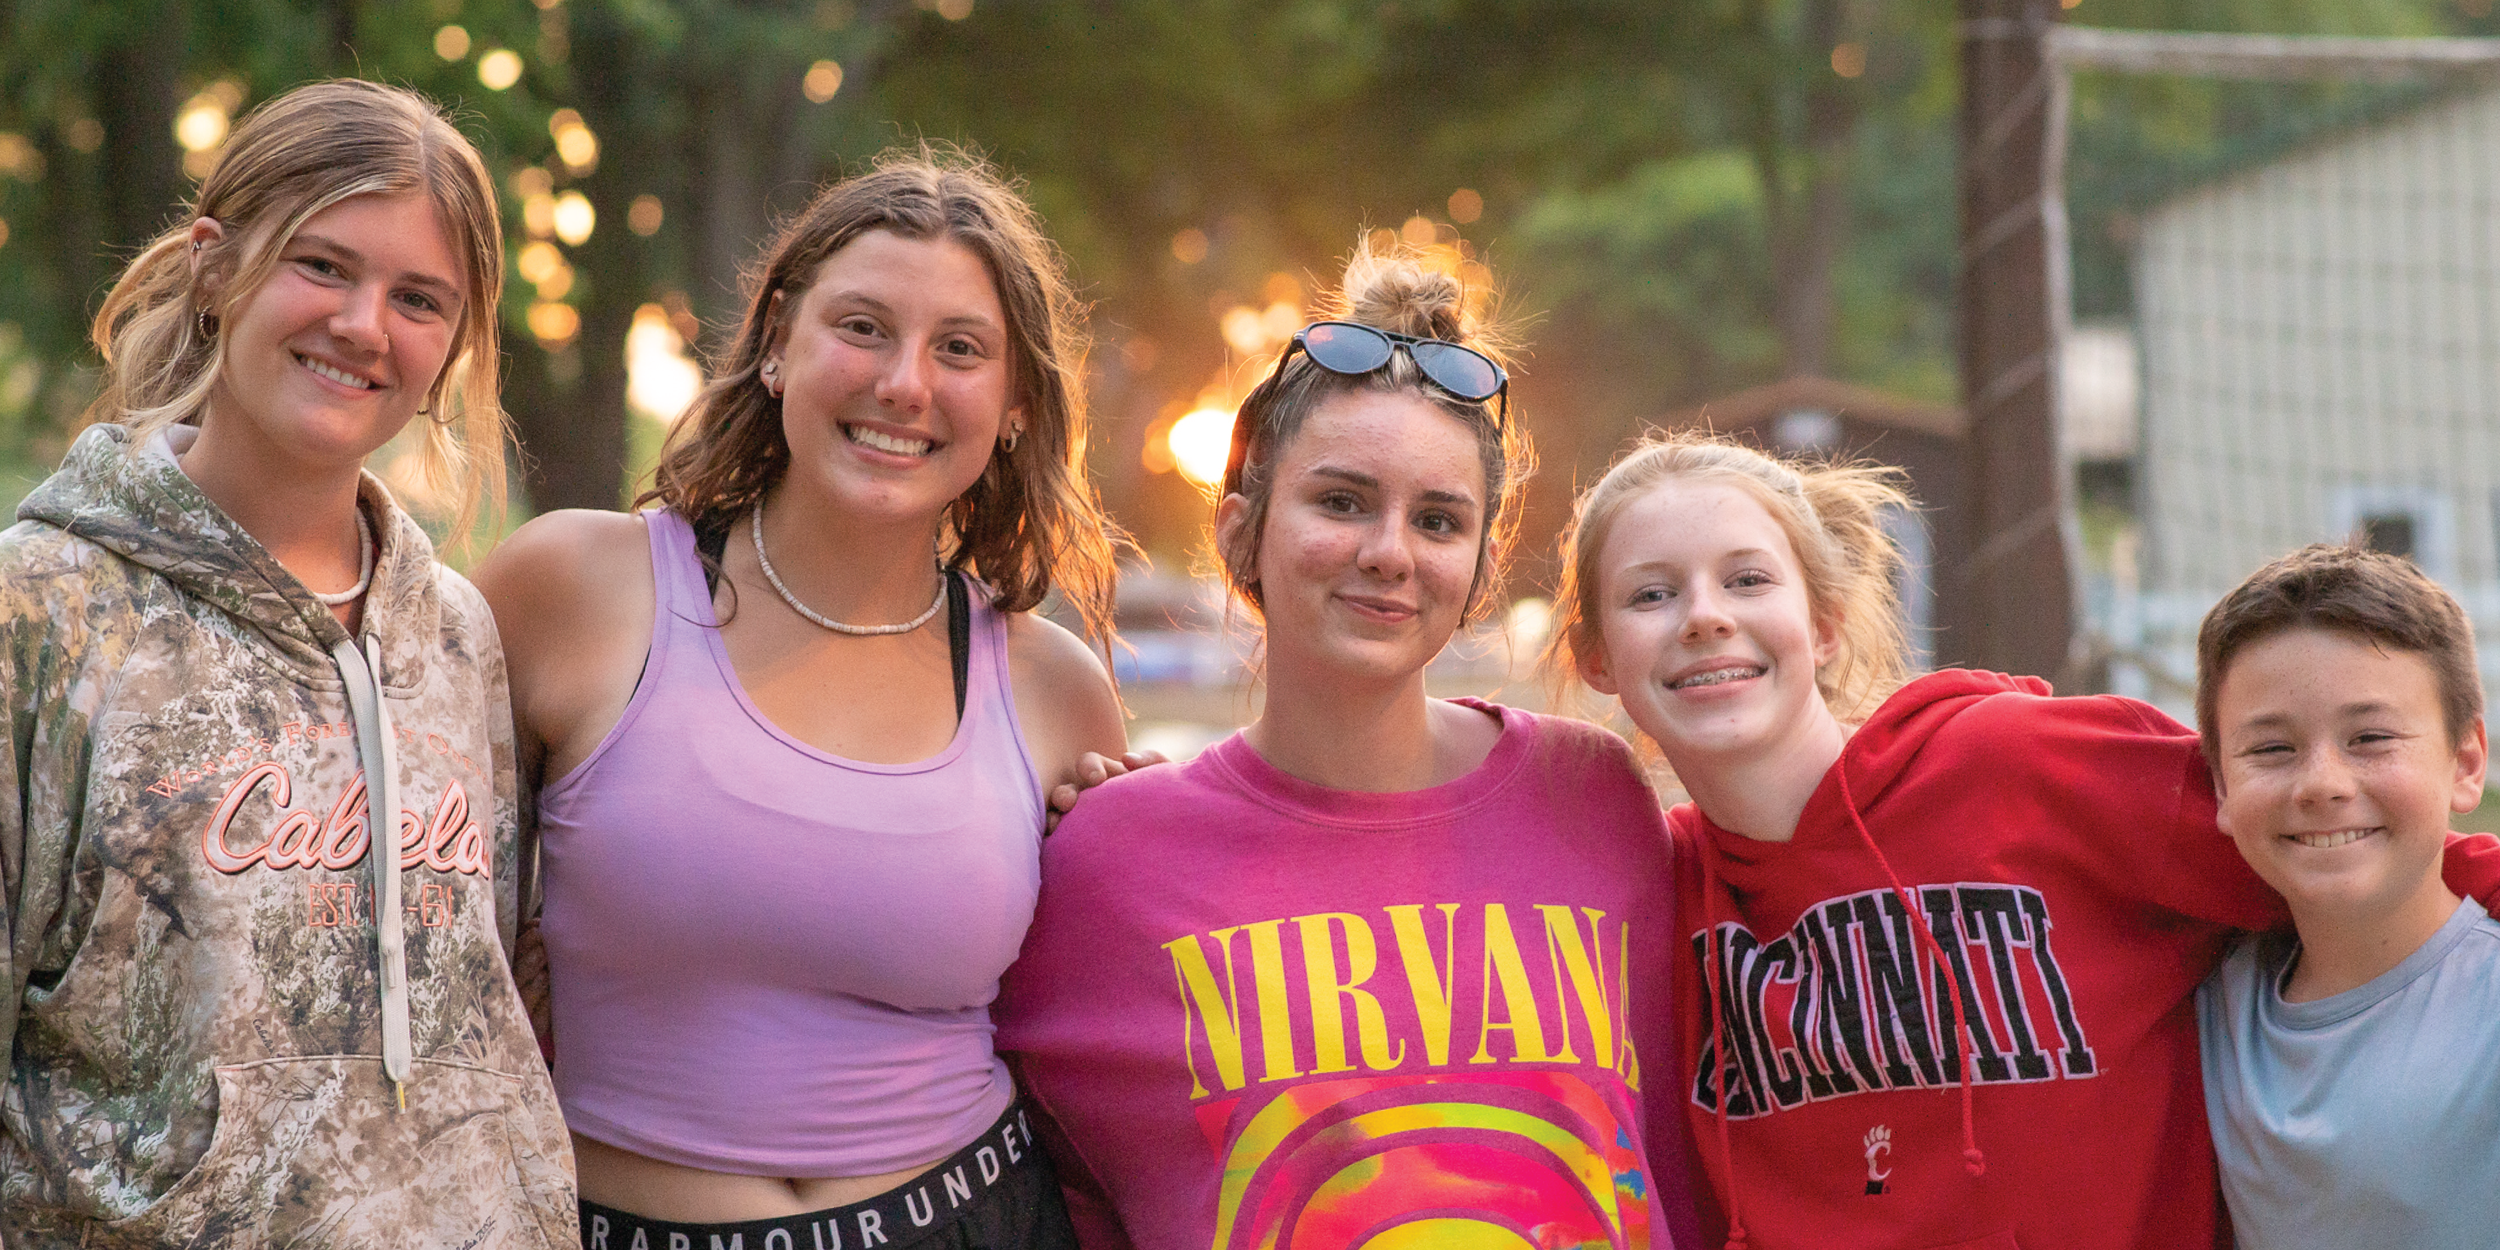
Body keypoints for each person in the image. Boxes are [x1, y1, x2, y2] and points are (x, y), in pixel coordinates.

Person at [1542, 431, 2500, 1250]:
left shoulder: (2024, 766)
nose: (1706, 616)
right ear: (1596, 658)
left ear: (1824, 625)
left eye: (1748, 579)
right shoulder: (1650, 891)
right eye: (1651, 595)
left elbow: (2349, 843)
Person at [476, 149, 1126, 1250]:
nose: (904, 384)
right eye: (863, 327)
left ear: (1015, 404)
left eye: (960, 349)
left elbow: (1093, 1039)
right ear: (778, 340)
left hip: (972, 1216)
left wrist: (1130, 830)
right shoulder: (570, 589)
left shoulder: (1054, 686)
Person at [995, 242, 1703, 1249]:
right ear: (1239, 529)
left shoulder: (1592, 794)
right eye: (1340, 501)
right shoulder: (1104, 860)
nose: (1389, 552)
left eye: (1439, 520)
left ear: (1482, 567)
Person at [0, 80, 576, 1247]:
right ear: (215, 267)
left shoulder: (456, 634)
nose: (364, 324)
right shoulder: (42, 611)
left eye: (419, 298)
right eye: (323, 265)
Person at [2193, 544, 2500, 1249]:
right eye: (2272, 749)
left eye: (2371, 738)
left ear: (2465, 762)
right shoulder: (2202, 1006)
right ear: (2221, 786)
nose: (2322, 784)